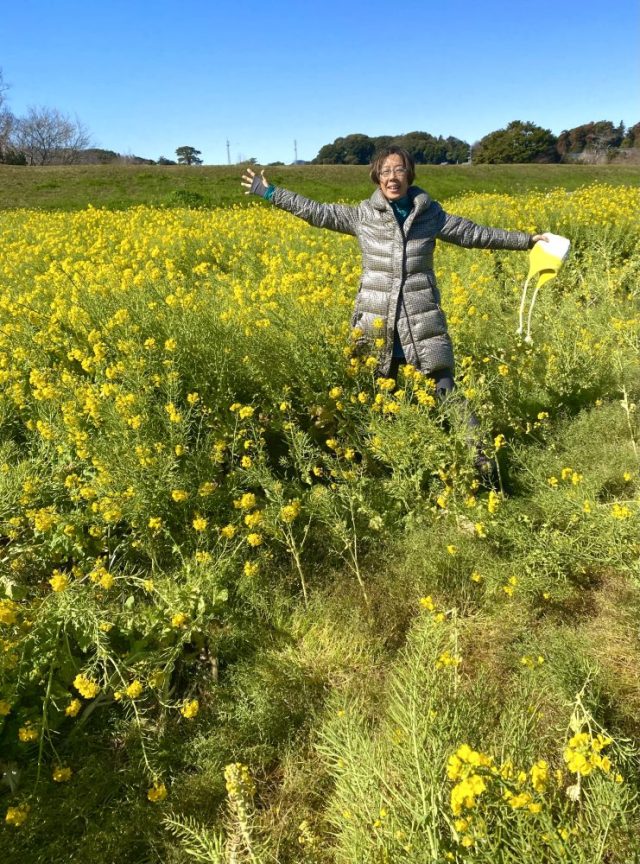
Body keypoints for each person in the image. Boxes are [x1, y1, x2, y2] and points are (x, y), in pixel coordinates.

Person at [241, 147, 547, 479]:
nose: (392, 178)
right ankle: (377, 470)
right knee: (373, 401)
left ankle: (486, 469)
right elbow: (316, 212)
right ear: (377, 177)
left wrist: (528, 240)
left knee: (445, 391)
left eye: (399, 170)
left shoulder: (430, 215)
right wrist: (270, 193)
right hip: (376, 326)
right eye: (385, 171)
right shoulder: (363, 215)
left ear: (409, 175)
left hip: (421, 322)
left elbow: (475, 233)